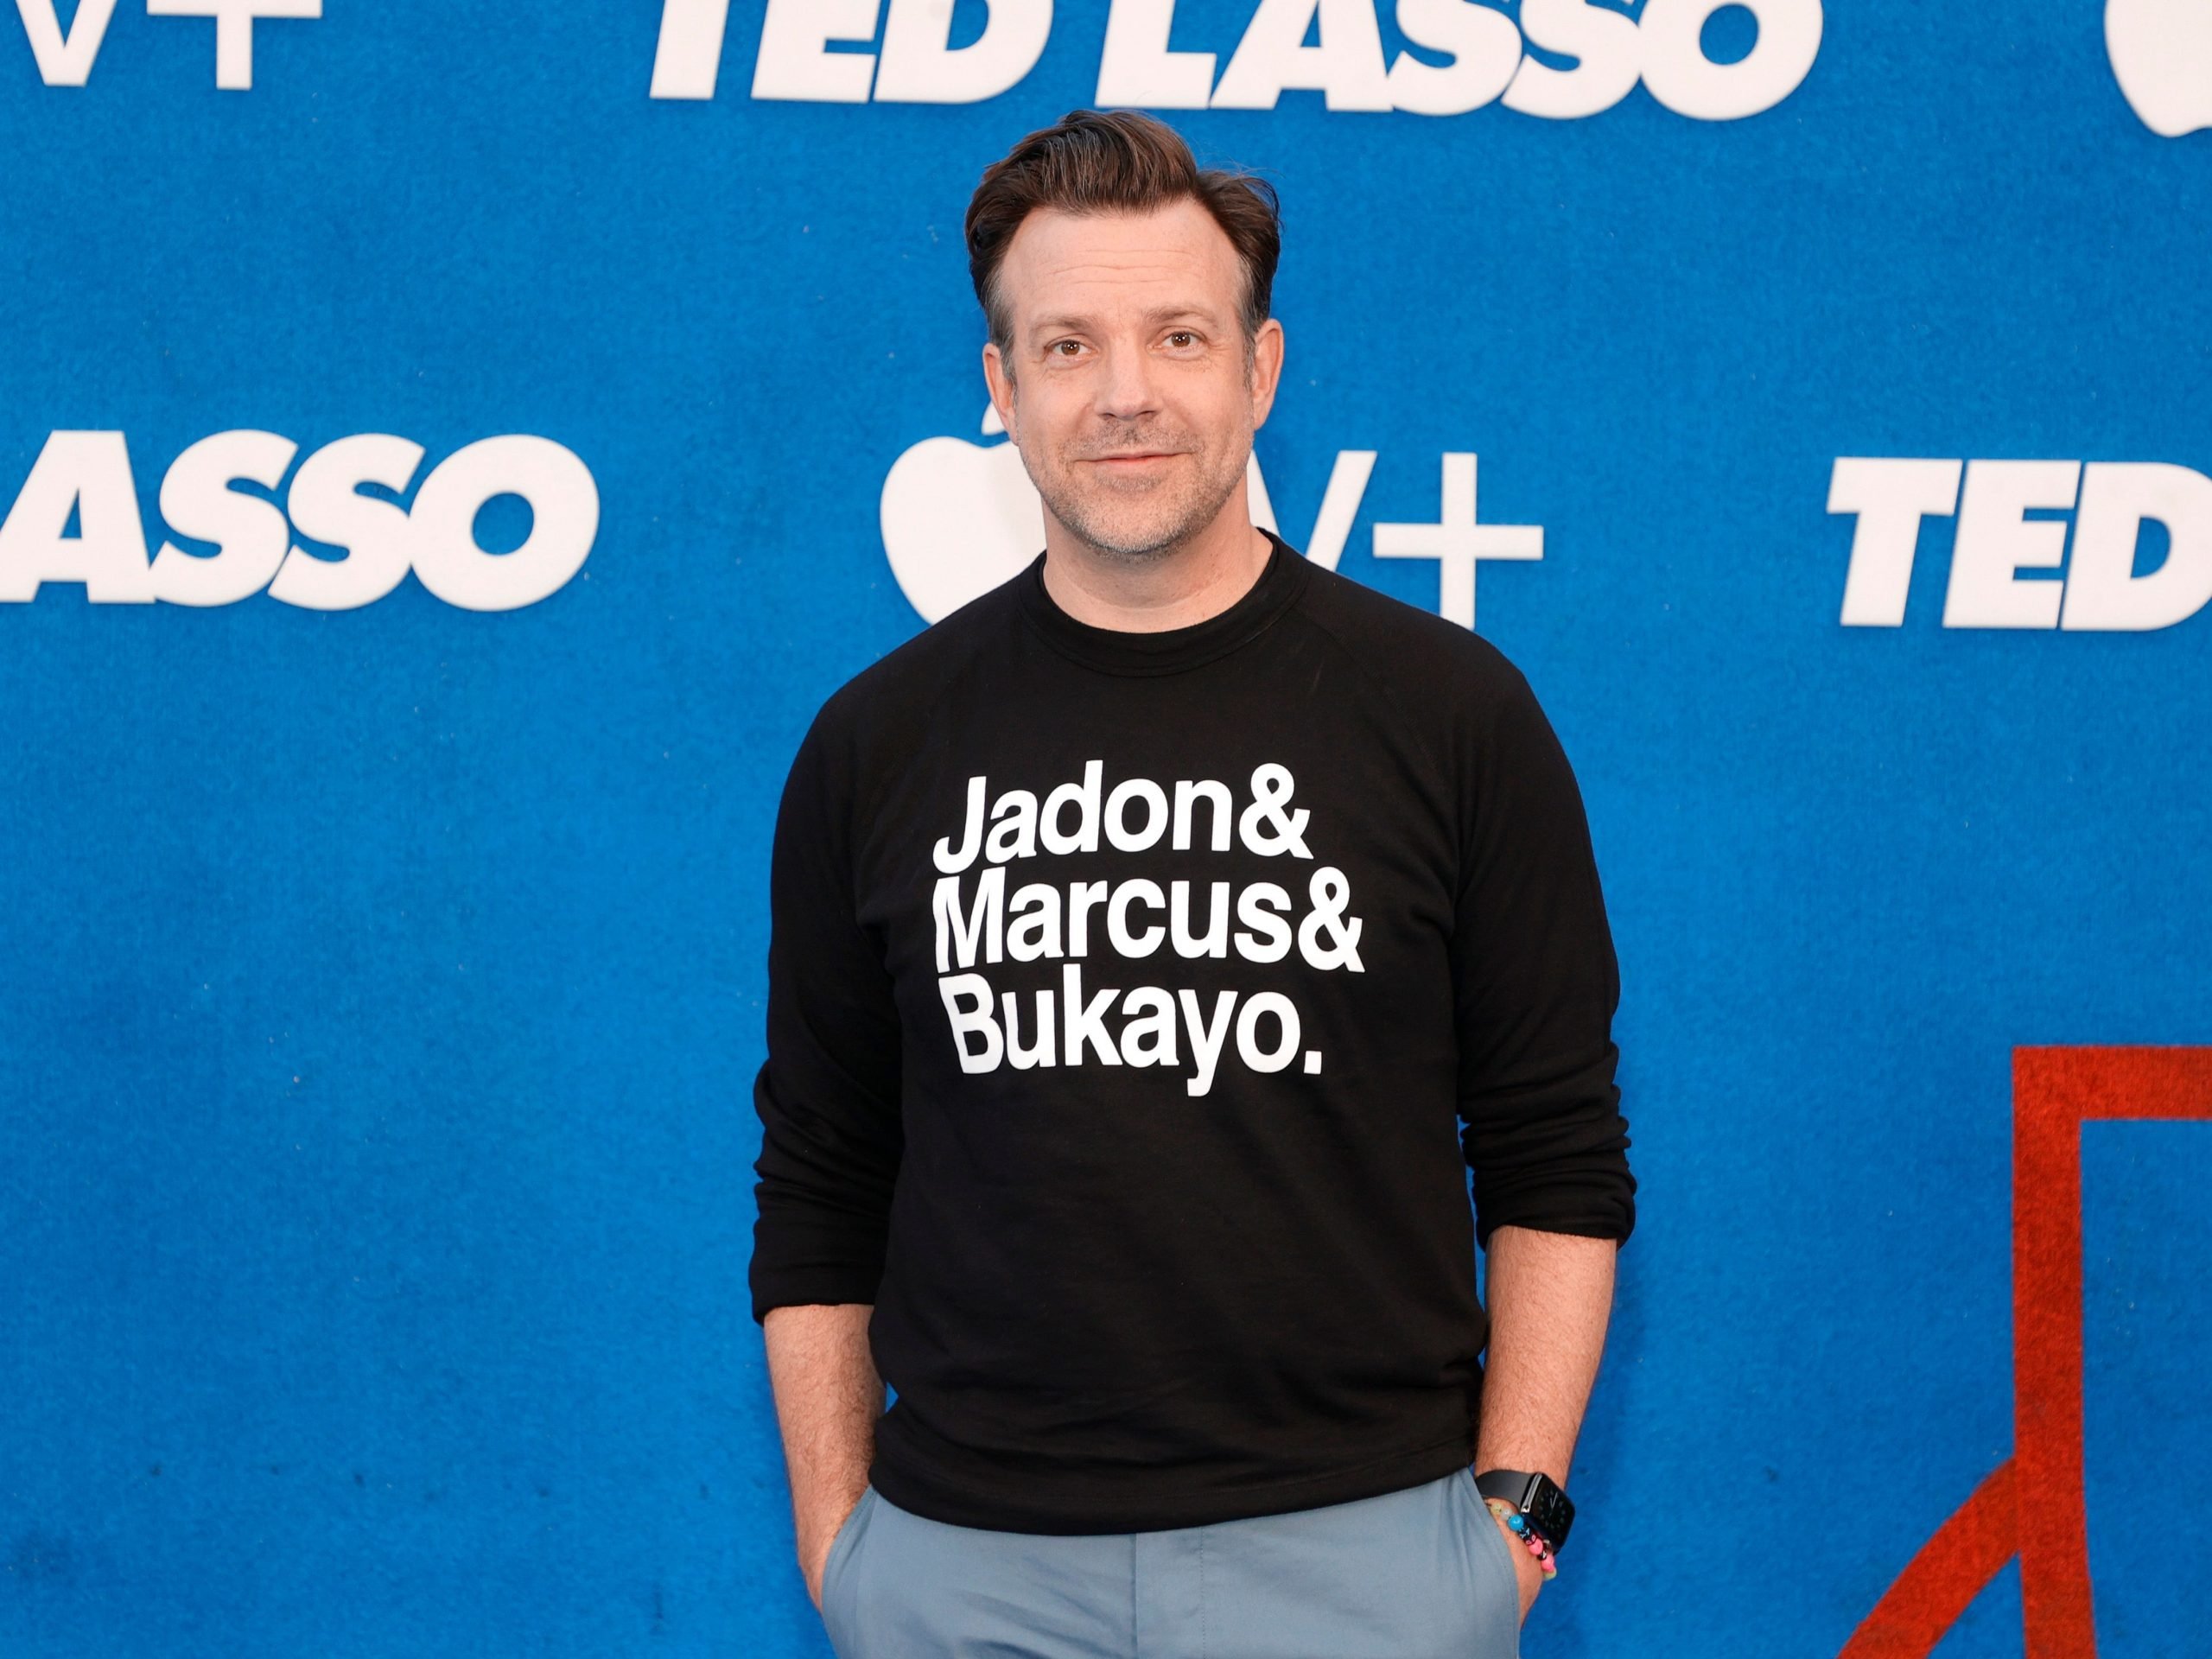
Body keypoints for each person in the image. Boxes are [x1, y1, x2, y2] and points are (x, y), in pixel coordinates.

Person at [748, 107, 1637, 1659]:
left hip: (1370, 1570)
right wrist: (847, 1551)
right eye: (1069, 346)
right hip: (964, 1577)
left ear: (1261, 368)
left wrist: (1514, 1521)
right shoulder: (874, 743)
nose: (1127, 395)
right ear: (1001, 389)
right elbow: (822, 1177)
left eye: (1177, 334)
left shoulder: (1451, 716)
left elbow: (1556, 1150)